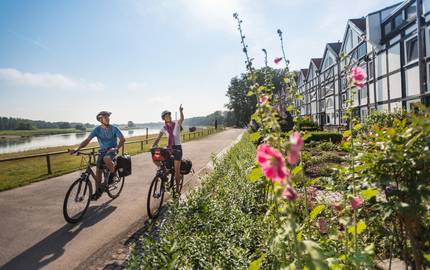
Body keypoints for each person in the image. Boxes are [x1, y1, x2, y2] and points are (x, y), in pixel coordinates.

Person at [70, 111, 125, 200]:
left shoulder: (114, 129)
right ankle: (97, 192)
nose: (108, 119)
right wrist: (77, 149)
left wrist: (116, 148)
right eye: (105, 117)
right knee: (98, 171)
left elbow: (122, 139)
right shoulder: (97, 130)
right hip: (101, 151)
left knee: (106, 158)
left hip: (112, 150)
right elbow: (87, 140)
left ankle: (113, 174)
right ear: (100, 120)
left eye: (108, 117)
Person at [152, 104, 184, 193]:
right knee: (156, 158)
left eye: (169, 115)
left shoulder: (176, 123)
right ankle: (165, 173)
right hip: (169, 148)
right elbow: (158, 138)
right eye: (166, 116)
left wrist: (181, 111)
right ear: (163, 118)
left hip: (177, 148)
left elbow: (181, 119)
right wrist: (153, 146)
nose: (168, 116)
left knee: (177, 170)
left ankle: (177, 189)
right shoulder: (164, 128)